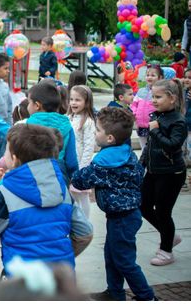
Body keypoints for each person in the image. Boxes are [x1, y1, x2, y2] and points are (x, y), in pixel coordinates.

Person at [0, 124, 94, 273]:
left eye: (6, 152)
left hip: (22, 283)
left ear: (14, 159)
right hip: (62, 280)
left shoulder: (7, 194)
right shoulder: (62, 190)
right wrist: (63, 257)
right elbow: (85, 232)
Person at [71, 107, 156, 301]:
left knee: (124, 261)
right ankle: (115, 293)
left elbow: (81, 180)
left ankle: (147, 297)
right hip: (127, 215)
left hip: (122, 219)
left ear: (109, 138)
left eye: (98, 130)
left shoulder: (103, 163)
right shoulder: (126, 153)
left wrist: (73, 172)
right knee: (112, 256)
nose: (95, 133)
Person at [140, 78, 187, 266]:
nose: (154, 100)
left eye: (158, 97)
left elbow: (173, 146)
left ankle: (166, 251)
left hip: (171, 174)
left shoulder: (178, 121)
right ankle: (170, 235)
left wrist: (155, 132)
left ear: (172, 99)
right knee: (143, 205)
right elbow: (150, 147)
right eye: (153, 96)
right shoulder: (157, 117)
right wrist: (140, 164)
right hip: (154, 171)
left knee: (163, 211)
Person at [25, 80, 79, 181]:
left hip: (32, 176)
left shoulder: (27, 126)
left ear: (37, 105)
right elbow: (71, 162)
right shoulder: (67, 127)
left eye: (29, 102)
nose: (27, 106)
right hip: (58, 177)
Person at [67, 85, 97, 218]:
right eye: (71, 99)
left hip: (81, 166)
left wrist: (82, 169)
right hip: (70, 164)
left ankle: (85, 221)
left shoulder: (88, 122)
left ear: (87, 102)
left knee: (82, 195)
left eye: (77, 100)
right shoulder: (68, 118)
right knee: (72, 194)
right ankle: (75, 220)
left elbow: (89, 147)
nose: (73, 102)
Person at [131, 64, 162, 151]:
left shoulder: (161, 92)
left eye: (153, 75)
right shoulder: (141, 91)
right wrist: (134, 114)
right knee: (143, 147)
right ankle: (144, 162)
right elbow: (134, 104)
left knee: (154, 147)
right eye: (148, 75)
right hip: (141, 125)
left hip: (154, 126)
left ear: (160, 78)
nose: (149, 77)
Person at [183, 69, 191, 168]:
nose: (186, 80)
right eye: (185, 77)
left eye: (190, 78)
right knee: (183, 150)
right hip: (183, 126)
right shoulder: (183, 92)